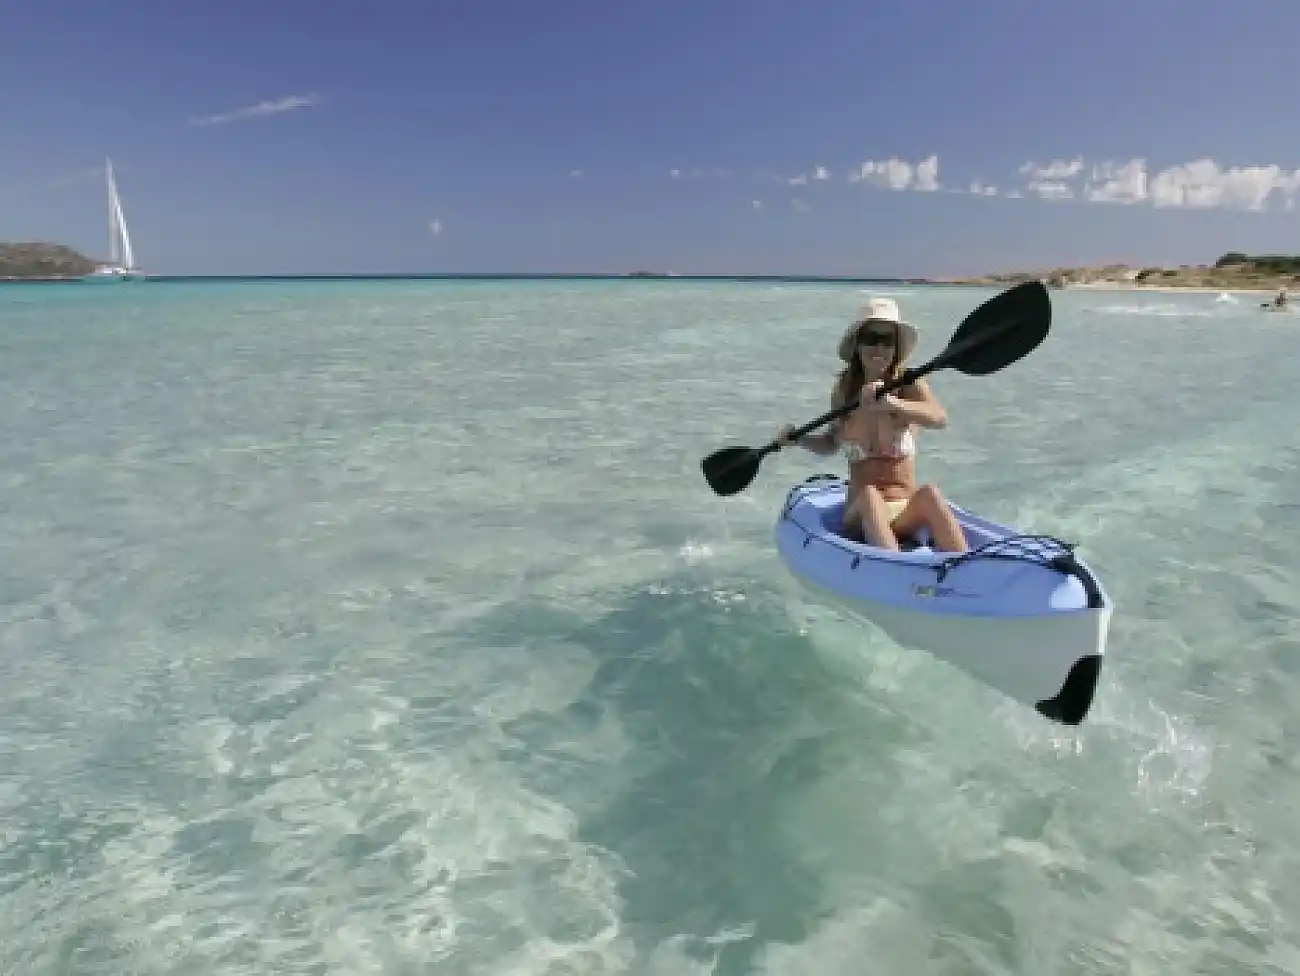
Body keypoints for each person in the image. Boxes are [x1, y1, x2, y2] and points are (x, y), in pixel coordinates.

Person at [777, 296, 969, 552]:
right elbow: (831, 442)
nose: (879, 348)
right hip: (860, 511)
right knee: (870, 495)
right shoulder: (845, 391)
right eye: (871, 338)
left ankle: (969, 569)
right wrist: (800, 438)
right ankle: (895, 568)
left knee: (931, 493)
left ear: (895, 347)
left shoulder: (909, 385)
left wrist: (891, 404)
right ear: (858, 344)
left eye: (887, 340)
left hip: (904, 510)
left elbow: (939, 418)